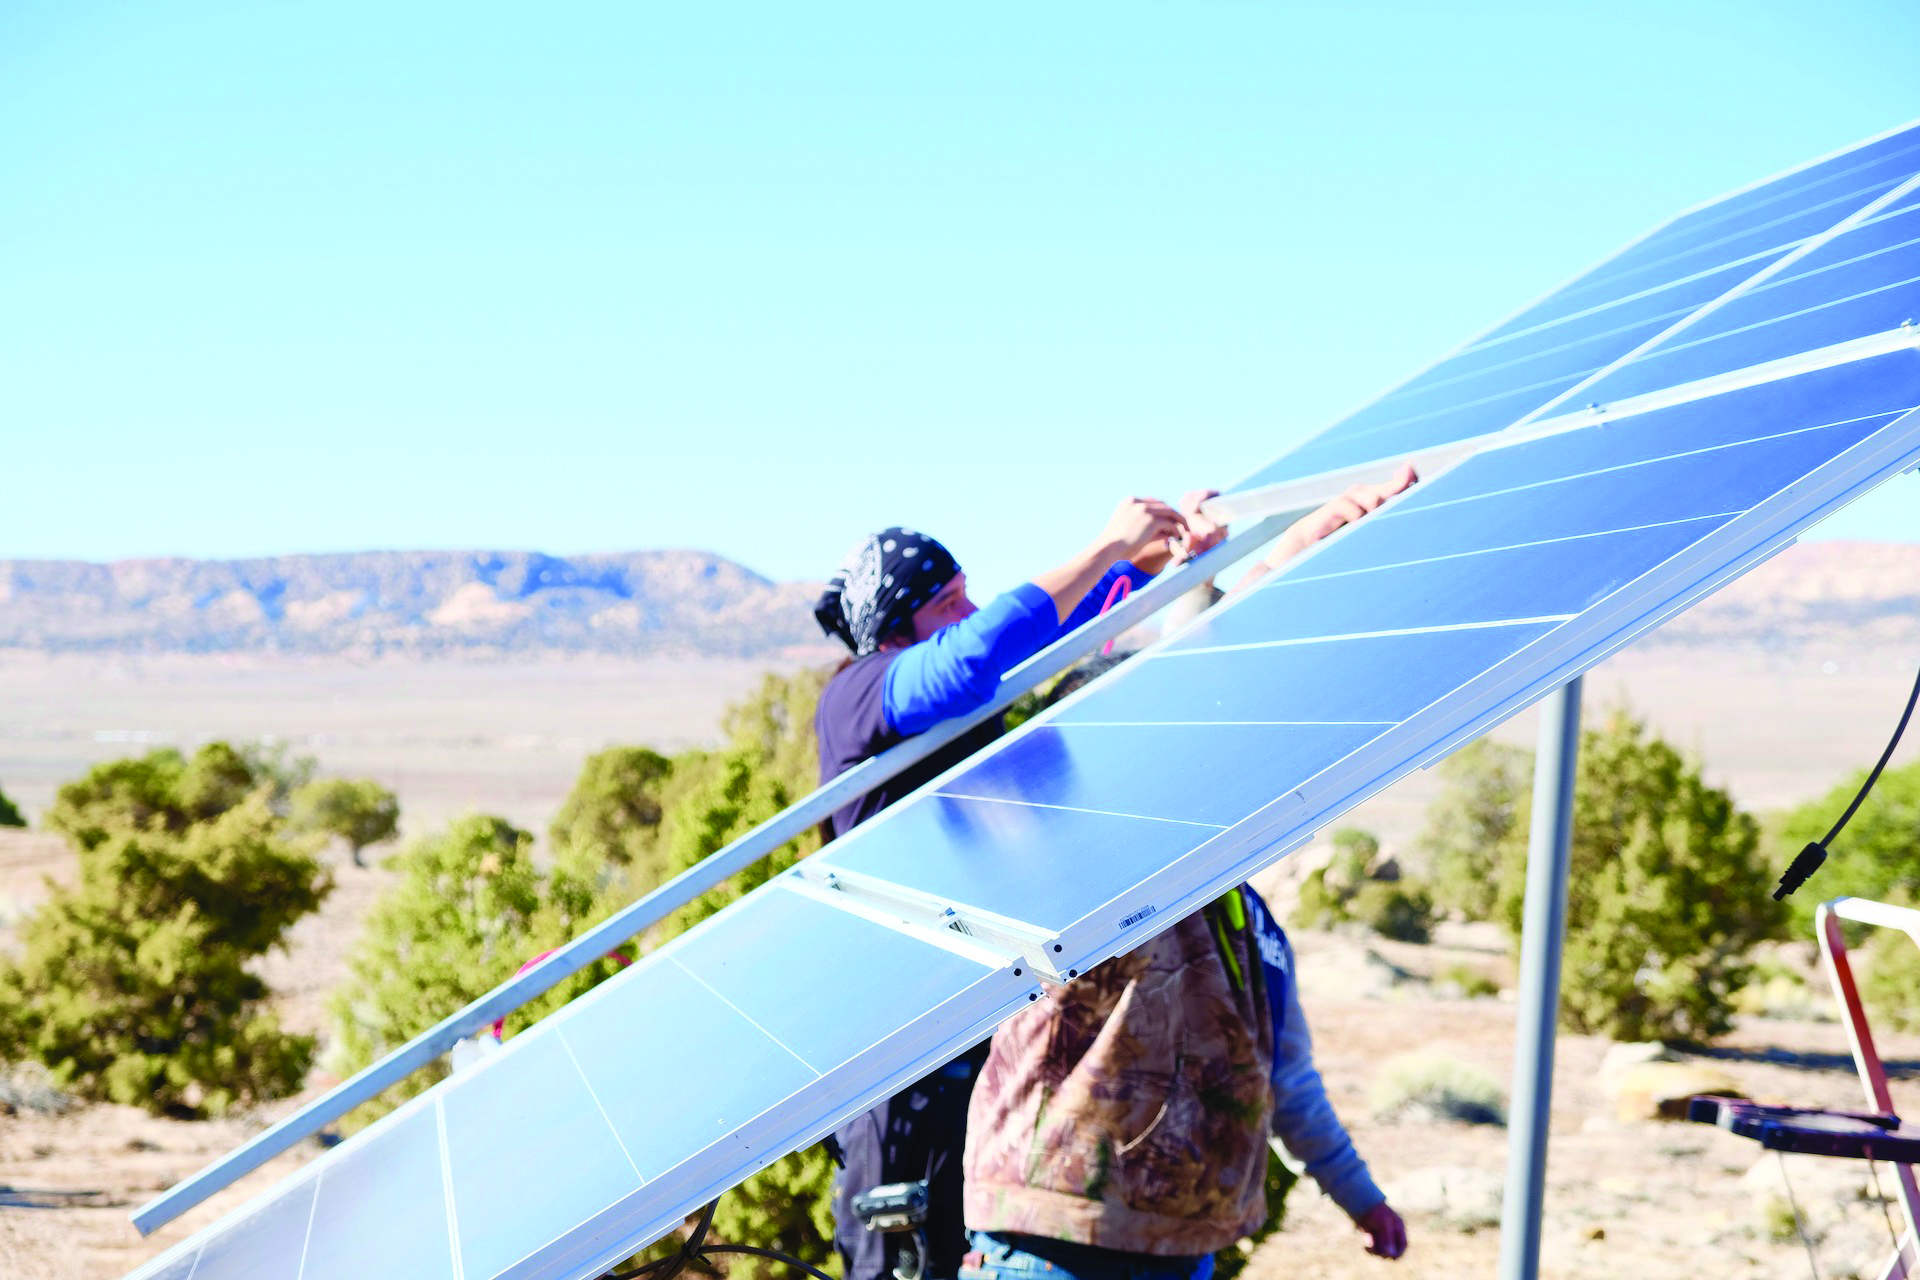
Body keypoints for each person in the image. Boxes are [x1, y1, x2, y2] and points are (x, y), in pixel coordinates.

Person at [959, 467, 1418, 1280]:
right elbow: (1193, 696)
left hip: (1182, 1250)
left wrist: (1361, 1197)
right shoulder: (1093, 870)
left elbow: (1291, 1084)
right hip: (1050, 1242)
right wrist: (1301, 552)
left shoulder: (1253, 932)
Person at [813, 494, 1225, 1280]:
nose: (968, 612)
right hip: (905, 1067)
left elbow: (1043, 636)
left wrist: (1153, 572)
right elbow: (973, 658)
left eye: (971, 593)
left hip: (984, 1036)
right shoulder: (860, 697)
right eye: (947, 602)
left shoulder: (953, 708)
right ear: (894, 627)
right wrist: (1105, 545)